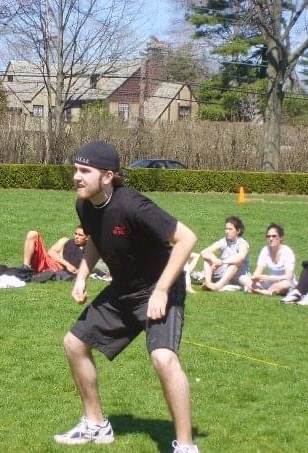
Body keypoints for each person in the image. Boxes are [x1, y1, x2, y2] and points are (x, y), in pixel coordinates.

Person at [54, 141, 199, 453]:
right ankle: (95, 425)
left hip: (161, 287)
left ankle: (186, 446)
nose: (76, 177)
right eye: (76, 170)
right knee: (74, 343)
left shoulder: (133, 205)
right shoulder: (84, 204)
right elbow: (95, 238)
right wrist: (81, 276)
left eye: (84, 171)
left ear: (107, 176)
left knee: (163, 358)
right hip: (124, 289)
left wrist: (161, 290)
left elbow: (187, 238)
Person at [240, 223, 296, 296]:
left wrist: (266, 278)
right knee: (244, 278)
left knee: (285, 284)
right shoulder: (265, 250)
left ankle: (261, 291)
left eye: (274, 236)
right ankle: (269, 292)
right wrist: (255, 278)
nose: (271, 239)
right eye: (268, 236)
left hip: (284, 282)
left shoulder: (287, 251)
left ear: (281, 237)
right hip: (269, 283)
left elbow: (288, 276)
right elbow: (257, 271)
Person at [200, 216, 249, 291]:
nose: (227, 231)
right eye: (226, 229)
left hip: (238, 275)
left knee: (236, 263)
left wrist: (222, 262)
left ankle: (218, 286)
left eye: (230, 229)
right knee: (207, 259)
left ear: (238, 231)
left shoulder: (243, 244)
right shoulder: (223, 241)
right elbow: (204, 252)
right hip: (222, 273)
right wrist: (214, 259)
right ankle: (208, 283)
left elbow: (240, 257)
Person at [22, 226, 87, 275]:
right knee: (32, 234)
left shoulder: (90, 251)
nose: (76, 237)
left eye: (80, 235)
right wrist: (67, 264)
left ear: (87, 237)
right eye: (75, 234)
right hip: (47, 262)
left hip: (55, 269)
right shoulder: (65, 241)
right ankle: (26, 267)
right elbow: (51, 252)